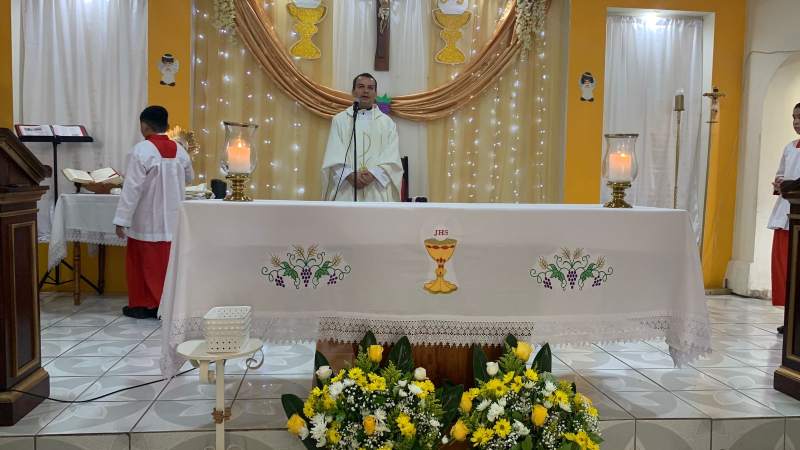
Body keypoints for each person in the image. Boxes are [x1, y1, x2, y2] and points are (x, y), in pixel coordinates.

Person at [113, 106, 194, 319]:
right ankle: (167, 304)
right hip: (173, 218)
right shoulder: (180, 150)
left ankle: (144, 303)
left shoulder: (141, 150)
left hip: (146, 218)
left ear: (144, 125)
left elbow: (131, 188)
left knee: (143, 263)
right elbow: (189, 178)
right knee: (168, 263)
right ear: (166, 125)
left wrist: (122, 219)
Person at [321, 73, 403, 202]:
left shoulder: (387, 123)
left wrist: (373, 174)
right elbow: (334, 153)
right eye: (361, 86)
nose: (366, 91)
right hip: (347, 188)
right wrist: (349, 175)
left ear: (375, 93)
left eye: (370, 88)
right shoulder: (340, 120)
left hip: (376, 188)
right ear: (353, 91)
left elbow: (392, 156)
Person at [767, 101, 800, 334]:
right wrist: (779, 184)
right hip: (786, 215)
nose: (796, 122)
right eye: (794, 117)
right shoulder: (789, 148)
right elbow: (781, 176)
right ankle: (790, 317)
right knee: (784, 268)